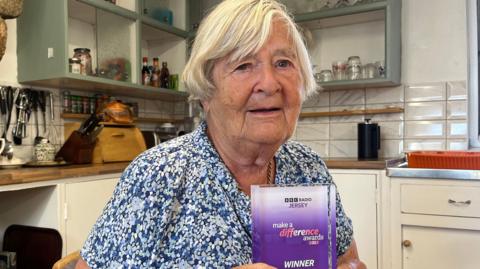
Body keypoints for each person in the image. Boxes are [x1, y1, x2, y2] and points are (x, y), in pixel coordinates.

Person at [75, 0, 366, 268]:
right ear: (206, 92)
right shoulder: (159, 175)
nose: (269, 83)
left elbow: (348, 260)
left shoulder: (307, 168)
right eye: (243, 65)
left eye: (283, 63)